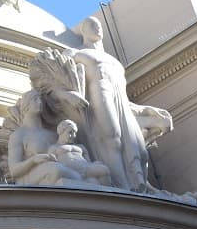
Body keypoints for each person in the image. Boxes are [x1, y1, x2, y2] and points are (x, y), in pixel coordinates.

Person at [73, 17, 170, 191]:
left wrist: (148, 111)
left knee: (138, 147)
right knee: (113, 138)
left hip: (119, 101)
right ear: (83, 31)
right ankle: (120, 185)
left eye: (99, 25)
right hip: (101, 94)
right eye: (92, 26)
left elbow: (124, 98)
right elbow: (61, 63)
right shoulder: (79, 53)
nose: (98, 28)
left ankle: (137, 184)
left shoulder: (116, 63)